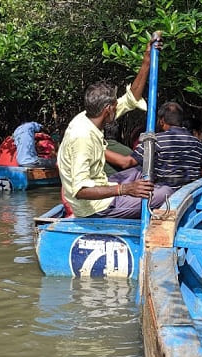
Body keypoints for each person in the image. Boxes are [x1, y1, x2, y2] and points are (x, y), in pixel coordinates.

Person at [57, 32, 173, 218]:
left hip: (102, 185)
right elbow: (80, 190)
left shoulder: (91, 116)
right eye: (114, 106)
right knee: (165, 193)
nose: (117, 107)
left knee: (141, 172)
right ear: (107, 110)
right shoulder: (82, 137)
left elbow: (131, 98)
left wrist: (147, 60)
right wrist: (125, 189)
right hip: (93, 208)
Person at [128, 101, 202, 188]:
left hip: (163, 196)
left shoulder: (155, 141)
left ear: (162, 121)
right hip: (190, 194)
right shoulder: (198, 144)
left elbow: (127, 162)